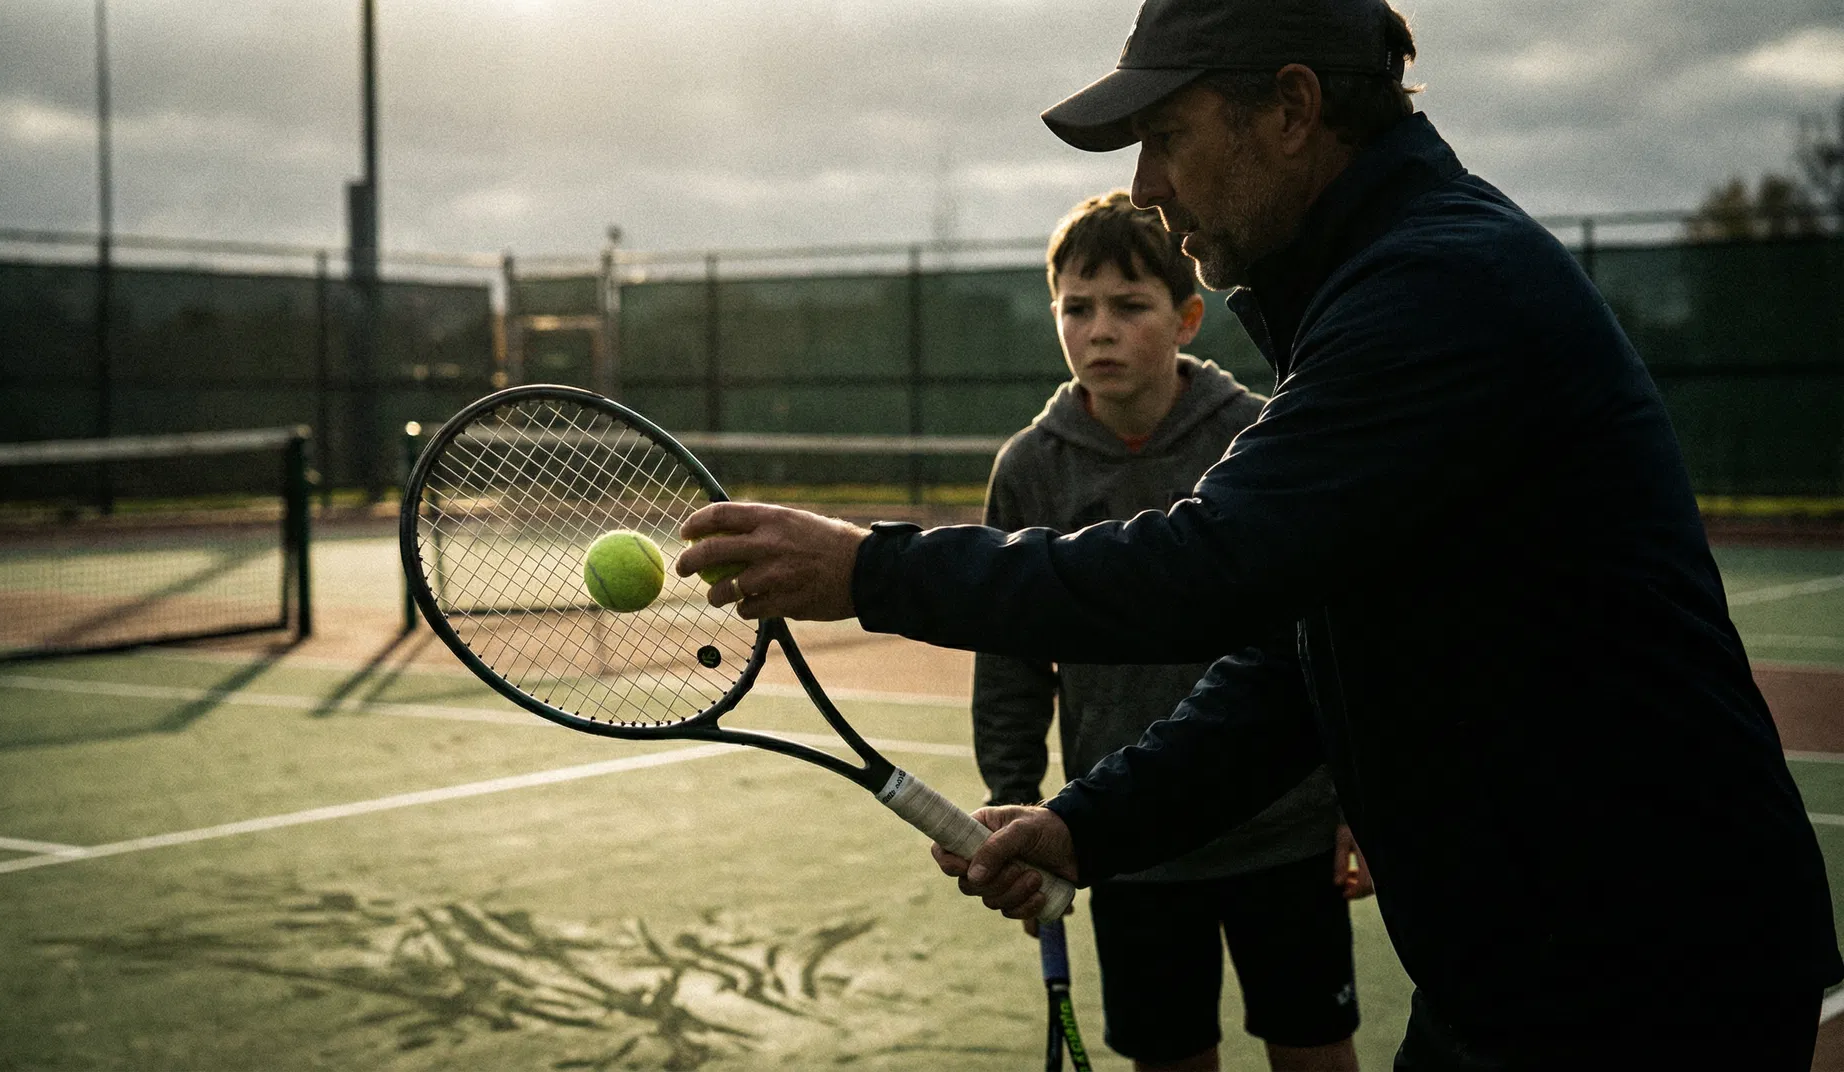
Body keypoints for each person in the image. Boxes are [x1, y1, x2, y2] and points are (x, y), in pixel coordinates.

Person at [675, 0, 1844, 1066]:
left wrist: (868, 568)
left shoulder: (1436, 290)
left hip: (1642, 972)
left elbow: (1205, 569)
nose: (1145, 186)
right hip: (1537, 964)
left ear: (1291, 109)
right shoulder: (1381, 284)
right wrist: (1085, 827)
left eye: (1167, 136)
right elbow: (1296, 663)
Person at [977, 188, 1368, 1072]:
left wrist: (1354, 806)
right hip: (1127, 847)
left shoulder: (1263, 435)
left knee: (1315, 1051)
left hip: (1283, 834)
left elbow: (1331, 630)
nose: (1099, 332)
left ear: (1188, 318)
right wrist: (1016, 802)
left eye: (1129, 306)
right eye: (1077, 308)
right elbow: (1011, 661)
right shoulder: (1029, 469)